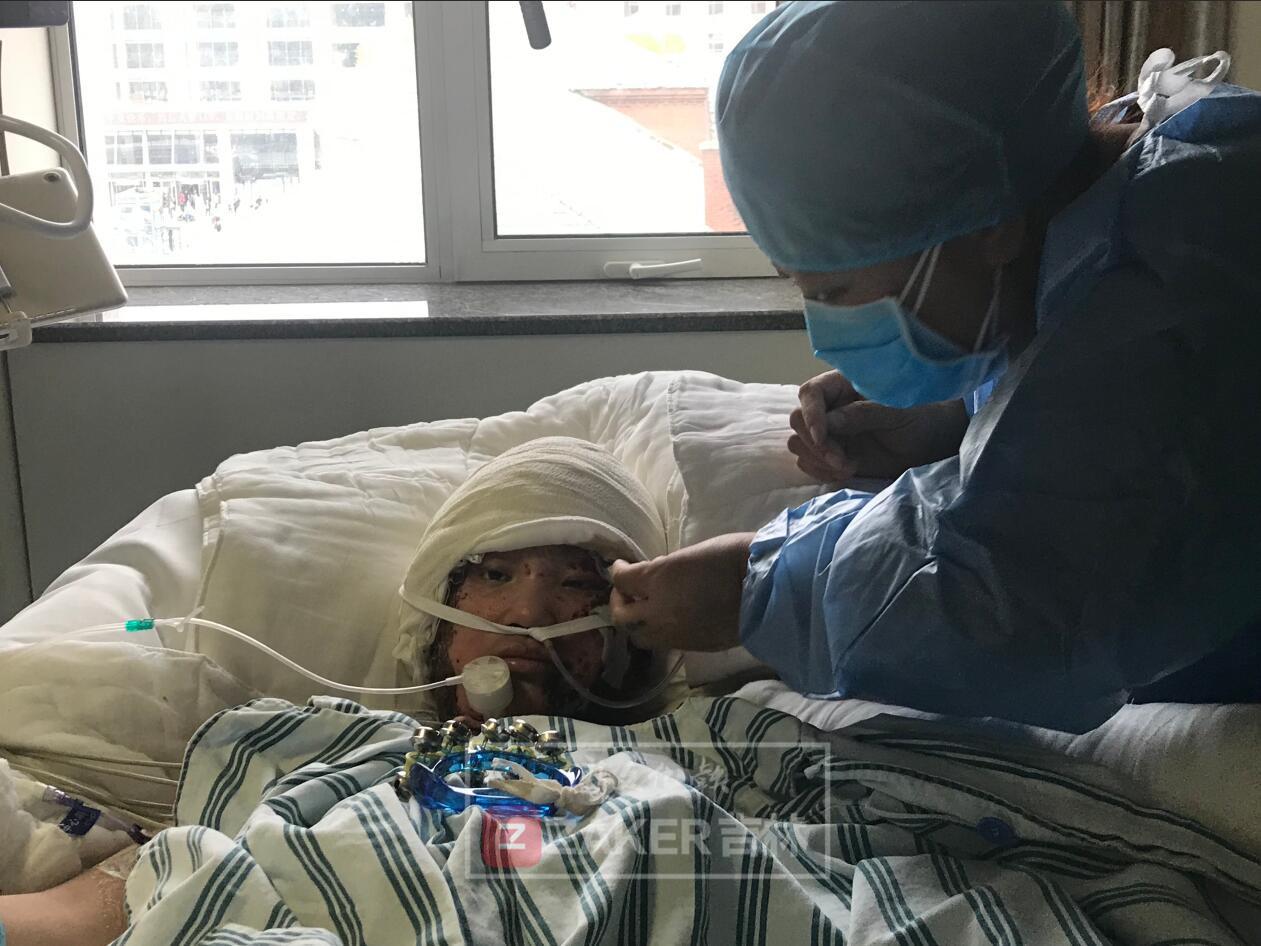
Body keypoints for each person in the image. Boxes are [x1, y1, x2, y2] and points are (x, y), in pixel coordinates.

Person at [611, 0, 1261, 732]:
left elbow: (1018, 615)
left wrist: (756, 586)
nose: (824, 330)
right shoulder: (1137, 171)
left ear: (988, 228)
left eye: (835, 292)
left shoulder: (1174, 290)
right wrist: (955, 413)